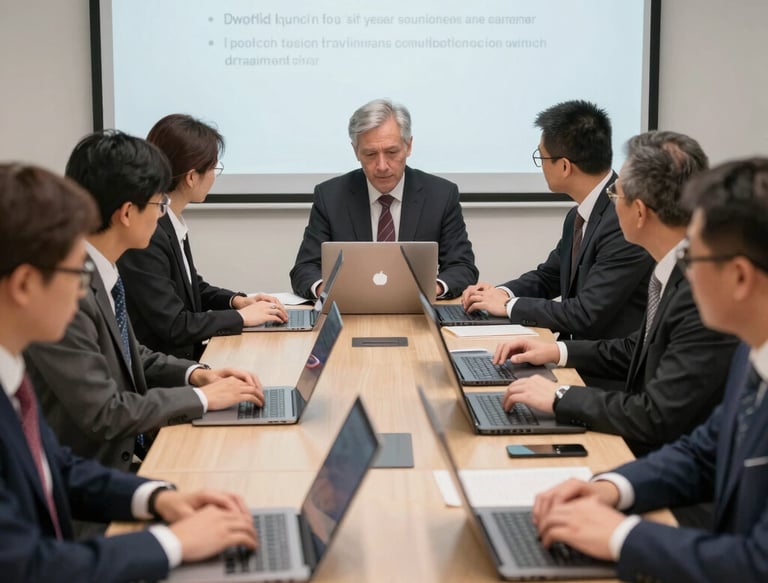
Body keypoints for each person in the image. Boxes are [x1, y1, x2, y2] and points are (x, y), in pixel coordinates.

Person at [0, 163, 257, 582]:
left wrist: (156, 498)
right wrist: (175, 543)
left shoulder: (10, 366)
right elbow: (29, 567)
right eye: (75, 274)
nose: (84, 289)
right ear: (26, 285)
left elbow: (56, 468)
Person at [530, 158, 768, 582]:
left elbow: (757, 563)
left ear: (738, 276)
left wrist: (622, 536)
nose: (684, 271)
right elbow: (704, 451)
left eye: (693, 255)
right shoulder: (753, 353)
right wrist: (611, 488)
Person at [24, 130, 265, 480]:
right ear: (126, 213)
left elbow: (129, 351)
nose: (162, 214)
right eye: (158, 204)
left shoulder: (99, 269)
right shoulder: (65, 293)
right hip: (92, 482)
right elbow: (106, 412)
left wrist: (197, 374)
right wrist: (204, 399)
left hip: (119, 464)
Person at [493, 131, 739, 457]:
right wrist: (554, 351)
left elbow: (655, 416)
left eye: (615, 193)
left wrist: (560, 396)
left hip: (667, 459)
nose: (610, 203)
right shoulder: (674, 269)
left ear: (639, 212)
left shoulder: (700, 292)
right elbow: (633, 349)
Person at [462, 100, 654, 341]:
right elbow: (549, 277)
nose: (540, 166)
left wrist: (509, 305)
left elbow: (585, 313)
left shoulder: (622, 221)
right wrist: (498, 293)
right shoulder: (579, 215)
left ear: (564, 166)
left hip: (604, 368)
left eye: (541, 158)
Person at [118, 114, 287, 360]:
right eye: (213, 168)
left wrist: (236, 301)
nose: (214, 176)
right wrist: (240, 318)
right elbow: (174, 324)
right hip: (166, 372)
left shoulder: (169, 221)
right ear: (191, 177)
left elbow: (191, 287)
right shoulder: (148, 233)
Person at [290, 98, 478, 300]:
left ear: (408, 146)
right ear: (356, 151)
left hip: (417, 311)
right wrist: (325, 291)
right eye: (370, 154)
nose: (381, 165)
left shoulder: (441, 195)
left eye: (391, 152)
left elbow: (462, 266)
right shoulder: (330, 196)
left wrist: (434, 288)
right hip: (351, 311)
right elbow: (305, 268)